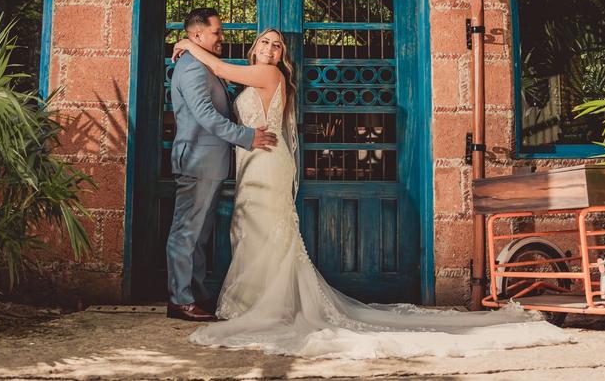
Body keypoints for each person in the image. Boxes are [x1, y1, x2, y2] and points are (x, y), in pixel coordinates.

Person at [170, 28, 574, 359]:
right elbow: (223, 77)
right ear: (254, 46)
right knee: (252, 232)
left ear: (281, 56)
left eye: (277, 44)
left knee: (264, 232)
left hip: (267, 162)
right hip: (254, 162)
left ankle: (264, 305)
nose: (271, 48)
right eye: (265, 42)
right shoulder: (251, 74)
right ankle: (253, 299)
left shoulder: (269, 76)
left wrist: (189, 45)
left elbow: (220, 66)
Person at [165, 7, 277, 322]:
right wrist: (246, 137)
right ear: (197, 34)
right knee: (187, 232)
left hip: (208, 162)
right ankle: (181, 300)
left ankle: (194, 295)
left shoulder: (201, 63)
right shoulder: (191, 69)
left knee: (198, 233)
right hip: (197, 160)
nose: (221, 38)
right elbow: (206, 115)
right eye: (216, 32)